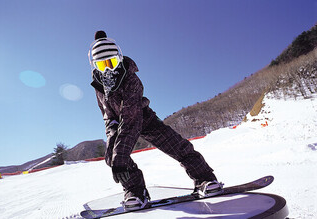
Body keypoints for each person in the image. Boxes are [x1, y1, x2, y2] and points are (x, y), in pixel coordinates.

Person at [88, 31, 223, 210]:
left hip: (143, 118)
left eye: (111, 63)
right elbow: (108, 115)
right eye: (102, 65)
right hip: (121, 124)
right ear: (94, 66)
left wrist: (119, 155)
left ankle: (205, 179)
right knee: (112, 156)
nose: (108, 70)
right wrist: (113, 140)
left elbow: (131, 119)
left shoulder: (131, 79)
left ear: (119, 59)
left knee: (177, 146)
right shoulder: (99, 87)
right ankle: (136, 192)